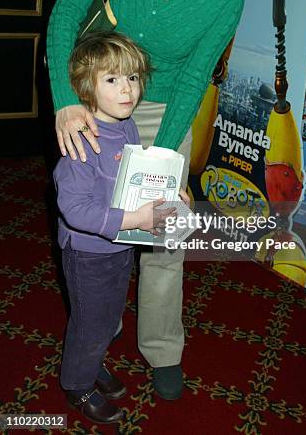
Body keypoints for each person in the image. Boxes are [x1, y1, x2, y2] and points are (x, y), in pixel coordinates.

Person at [47, 0, 257, 401]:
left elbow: (192, 79)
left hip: (164, 108)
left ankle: (162, 347)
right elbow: (66, 13)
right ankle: (98, 327)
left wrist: (160, 163)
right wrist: (66, 99)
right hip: (92, 99)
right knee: (94, 219)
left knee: (164, 236)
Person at [54, 32, 179, 424]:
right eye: (112, 80)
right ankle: (77, 383)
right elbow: (74, 208)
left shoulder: (126, 126)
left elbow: (134, 177)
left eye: (133, 78)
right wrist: (133, 220)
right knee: (90, 322)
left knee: (108, 318)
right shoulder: (82, 138)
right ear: (84, 88)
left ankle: (91, 362)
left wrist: (172, 195)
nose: (127, 89)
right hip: (88, 252)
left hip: (120, 246)